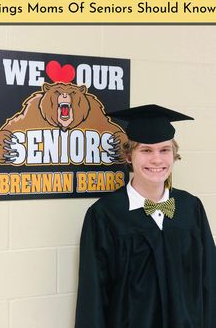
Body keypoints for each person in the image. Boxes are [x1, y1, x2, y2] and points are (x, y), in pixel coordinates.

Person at [74, 104, 216, 328]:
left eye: (164, 150)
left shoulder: (191, 208)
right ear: (129, 156)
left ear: (174, 154)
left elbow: (209, 282)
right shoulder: (105, 215)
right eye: (146, 150)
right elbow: (92, 297)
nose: (157, 160)